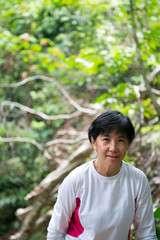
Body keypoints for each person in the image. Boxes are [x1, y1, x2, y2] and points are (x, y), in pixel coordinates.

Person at [47, 110, 157, 240]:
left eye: (120, 140)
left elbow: (146, 234)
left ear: (128, 144)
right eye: (106, 139)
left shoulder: (137, 180)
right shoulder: (76, 179)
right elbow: (56, 232)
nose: (113, 148)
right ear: (94, 143)